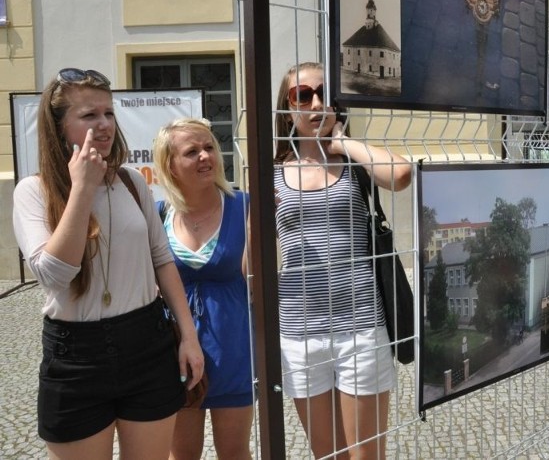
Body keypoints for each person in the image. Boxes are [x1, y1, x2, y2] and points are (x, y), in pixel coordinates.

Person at [12, 68, 204, 460]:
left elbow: (162, 260)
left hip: (145, 342)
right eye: (88, 115)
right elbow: (53, 274)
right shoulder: (33, 192)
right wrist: (81, 188)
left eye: (109, 113)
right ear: (58, 125)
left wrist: (188, 335)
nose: (103, 125)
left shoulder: (132, 182)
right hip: (75, 357)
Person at [273, 62, 412, 459]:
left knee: (367, 455)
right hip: (300, 331)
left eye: (325, 94)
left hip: (360, 326)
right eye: (303, 95)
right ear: (287, 107)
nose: (316, 103)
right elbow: (255, 259)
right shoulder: (272, 176)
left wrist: (341, 142)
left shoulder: (354, 164)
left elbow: (401, 174)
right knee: (327, 455)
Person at [153, 118, 254, 460]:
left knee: (235, 452)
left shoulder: (244, 206)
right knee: (182, 455)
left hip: (234, 348)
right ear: (170, 165)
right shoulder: (159, 214)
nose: (205, 157)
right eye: (191, 151)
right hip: (176, 350)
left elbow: (256, 279)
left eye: (209, 147)